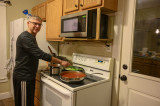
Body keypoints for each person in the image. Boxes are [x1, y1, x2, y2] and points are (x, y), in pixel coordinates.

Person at [13, 16, 71, 106]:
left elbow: (35, 54)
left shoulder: (31, 36)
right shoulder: (25, 37)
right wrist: (61, 62)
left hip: (28, 75)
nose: (37, 26)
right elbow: (40, 54)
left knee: (28, 102)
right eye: (34, 23)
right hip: (23, 77)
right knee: (24, 103)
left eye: (39, 24)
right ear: (28, 23)